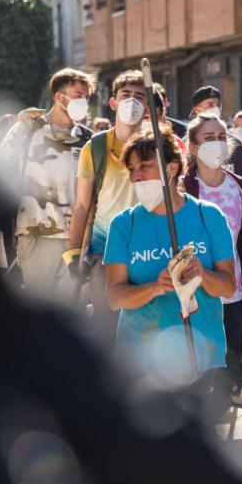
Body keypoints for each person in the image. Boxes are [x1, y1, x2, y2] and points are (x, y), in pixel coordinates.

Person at [105, 128, 236, 377]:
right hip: (139, 361)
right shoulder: (123, 224)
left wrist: (202, 274)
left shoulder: (208, 215)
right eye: (131, 169)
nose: (136, 176)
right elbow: (114, 297)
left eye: (144, 165)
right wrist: (156, 287)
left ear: (172, 168)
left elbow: (228, 287)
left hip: (201, 356)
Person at [0, 68, 95, 300]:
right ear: (60, 97)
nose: (84, 101)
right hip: (37, 235)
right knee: (37, 310)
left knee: (70, 313)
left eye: (87, 97)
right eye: (78, 95)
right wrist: (19, 128)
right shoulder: (28, 129)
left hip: (77, 240)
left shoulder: (87, 138)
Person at [183, 113, 242, 393]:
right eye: (208, 138)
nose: (216, 143)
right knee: (197, 376)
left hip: (234, 295)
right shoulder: (182, 189)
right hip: (192, 297)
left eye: (221, 137)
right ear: (193, 147)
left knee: (231, 379)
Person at [68, 69, 149, 345]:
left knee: (146, 331)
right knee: (105, 330)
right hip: (104, 253)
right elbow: (81, 205)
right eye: (126, 95)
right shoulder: (96, 146)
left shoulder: (160, 148)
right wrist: (74, 252)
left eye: (140, 96)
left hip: (149, 251)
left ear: (148, 106)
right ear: (112, 103)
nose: (133, 102)